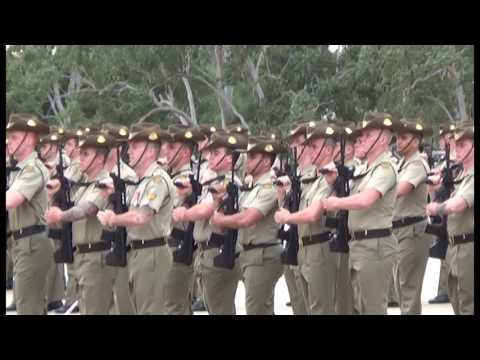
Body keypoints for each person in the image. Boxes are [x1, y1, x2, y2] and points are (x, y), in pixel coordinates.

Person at [323, 112, 397, 315]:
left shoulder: (385, 167)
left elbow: (365, 199)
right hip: (359, 245)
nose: (360, 140)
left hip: (375, 246)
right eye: (359, 136)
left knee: (372, 309)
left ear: (382, 139)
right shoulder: (364, 168)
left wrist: (336, 202)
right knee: (359, 308)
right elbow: (352, 197)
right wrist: (335, 184)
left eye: (366, 135)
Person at [97, 123, 175, 314]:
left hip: (152, 252)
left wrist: (113, 219)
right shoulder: (144, 181)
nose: (128, 151)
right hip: (140, 252)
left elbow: (142, 216)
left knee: (150, 310)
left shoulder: (158, 180)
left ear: (149, 151)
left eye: (134, 146)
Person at [173, 130, 246, 314]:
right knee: (215, 306)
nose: (210, 157)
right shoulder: (214, 181)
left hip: (218, 251)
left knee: (220, 308)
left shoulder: (228, 183)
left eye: (216, 153)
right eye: (210, 153)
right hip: (207, 252)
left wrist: (184, 214)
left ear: (231, 159)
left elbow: (206, 209)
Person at [45, 131, 118, 315]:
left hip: (96, 257)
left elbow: (87, 209)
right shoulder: (84, 184)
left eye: (86, 154)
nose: (80, 158)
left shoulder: (104, 183)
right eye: (80, 153)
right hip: (83, 257)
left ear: (100, 158)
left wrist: (60, 215)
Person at [211, 135, 284, 315]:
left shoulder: (269, 188)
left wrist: (220, 219)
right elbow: (229, 222)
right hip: (251, 254)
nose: (247, 161)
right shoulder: (252, 188)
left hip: (263, 254)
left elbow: (247, 219)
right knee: (260, 308)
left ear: (266, 161)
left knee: (257, 309)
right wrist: (217, 202)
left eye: (252, 157)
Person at [275, 121, 338, 314]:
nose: (302, 149)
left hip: (320, 248)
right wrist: (282, 196)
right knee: (305, 308)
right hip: (304, 247)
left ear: (328, 150)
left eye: (312, 146)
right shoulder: (309, 178)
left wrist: (288, 217)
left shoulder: (329, 176)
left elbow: (312, 214)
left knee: (321, 309)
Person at [6, 113, 53, 314]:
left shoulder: (34, 169)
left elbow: (12, 199)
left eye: (14, 137)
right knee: (31, 305)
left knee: (28, 306)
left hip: (32, 243)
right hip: (24, 243)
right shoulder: (18, 169)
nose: (8, 142)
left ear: (30, 139)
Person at [426, 120, 474, 315]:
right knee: (457, 303)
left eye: (463, 145)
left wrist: (436, 208)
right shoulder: (459, 174)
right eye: (456, 145)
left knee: (469, 305)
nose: (458, 150)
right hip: (454, 247)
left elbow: (459, 204)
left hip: (469, 246)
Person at [391, 118, 433, 314]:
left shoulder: (417, 164)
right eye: (398, 138)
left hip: (413, 231)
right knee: (401, 287)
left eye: (404, 138)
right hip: (399, 230)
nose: (398, 141)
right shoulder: (401, 163)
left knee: (409, 289)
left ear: (415, 142)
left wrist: (376, 191)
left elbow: (401, 189)